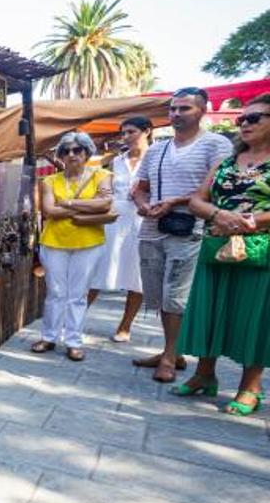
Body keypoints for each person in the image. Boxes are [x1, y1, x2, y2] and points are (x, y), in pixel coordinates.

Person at [174, 94, 270, 414]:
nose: (245, 123)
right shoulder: (225, 162)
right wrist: (218, 215)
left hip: (259, 251)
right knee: (210, 309)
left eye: (255, 118)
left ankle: (250, 387)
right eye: (243, 118)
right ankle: (204, 374)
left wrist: (250, 220)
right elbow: (197, 201)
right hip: (216, 245)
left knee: (254, 315)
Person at [131, 88, 232, 383]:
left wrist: (174, 201)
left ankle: (169, 356)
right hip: (153, 228)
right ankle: (171, 351)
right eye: (173, 109)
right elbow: (140, 186)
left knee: (176, 294)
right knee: (159, 294)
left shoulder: (216, 144)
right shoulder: (157, 148)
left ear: (203, 110)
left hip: (190, 228)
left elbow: (216, 188)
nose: (176, 114)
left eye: (185, 108)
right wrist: (143, 205)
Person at [31, 131, 114, 360]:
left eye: (77, 150)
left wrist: (67, 203)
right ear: (60, 156)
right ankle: (48, 337)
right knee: (55, 292)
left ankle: (73, 341)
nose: (71, 154)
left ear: (87, 152)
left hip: (89, 243)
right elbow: (49, 211)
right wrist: (89, 204)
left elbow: (105, 204)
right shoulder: (50, 181)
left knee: (78, 295)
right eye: (65, 151)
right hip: (54, 242)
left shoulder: (102, 175)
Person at [87, 116, 152, 341]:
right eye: (123, 133)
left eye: (131, 132)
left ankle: (125, 326)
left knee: (137, 275)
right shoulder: (116, 161)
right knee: (98, 270)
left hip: (143, 219)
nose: (126, 137)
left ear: (147, 132)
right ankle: (73, 320)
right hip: (114, 219)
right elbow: (107, 191)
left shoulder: (155, 158)